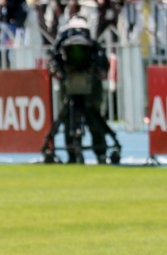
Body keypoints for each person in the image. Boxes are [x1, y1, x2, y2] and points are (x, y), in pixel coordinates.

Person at [49, 14, 111, 163]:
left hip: (74, 86)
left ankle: (73, 153)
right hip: (85, 87)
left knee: (73, 118)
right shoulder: (92, 43)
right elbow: (103, 65)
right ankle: (100, 153)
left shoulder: (64, 42)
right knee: (93, 118)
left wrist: (59, 71)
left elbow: (53, 59)